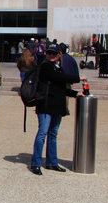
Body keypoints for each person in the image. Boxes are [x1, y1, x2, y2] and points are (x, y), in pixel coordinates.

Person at [29, 44, 84, 175]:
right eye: (49, 53)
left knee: (53, 134)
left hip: (56, 105)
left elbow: (60, 87)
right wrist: (78, 78)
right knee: (42, 133)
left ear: (59, 54)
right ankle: (36, 163)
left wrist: (75, 94)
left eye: (54, 53)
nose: (51, 55)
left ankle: (51, 162)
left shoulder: (58, 68)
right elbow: (58, 79)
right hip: (46, 105)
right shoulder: (45, 66)